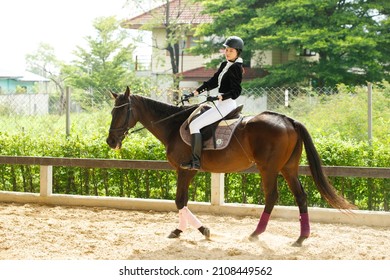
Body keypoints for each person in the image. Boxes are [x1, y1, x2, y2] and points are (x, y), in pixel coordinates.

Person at [180, 36, 244, 170]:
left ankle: (196, 162)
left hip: (226, 105)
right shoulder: (225, 65)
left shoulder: (236, 68)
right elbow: (213, 82)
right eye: (226, 50)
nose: (227, 53)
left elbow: (236, 91)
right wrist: (194, 93)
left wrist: (219, 97)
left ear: (238, 52)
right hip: (221, 104)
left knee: (195, 125)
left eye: (231, 51)